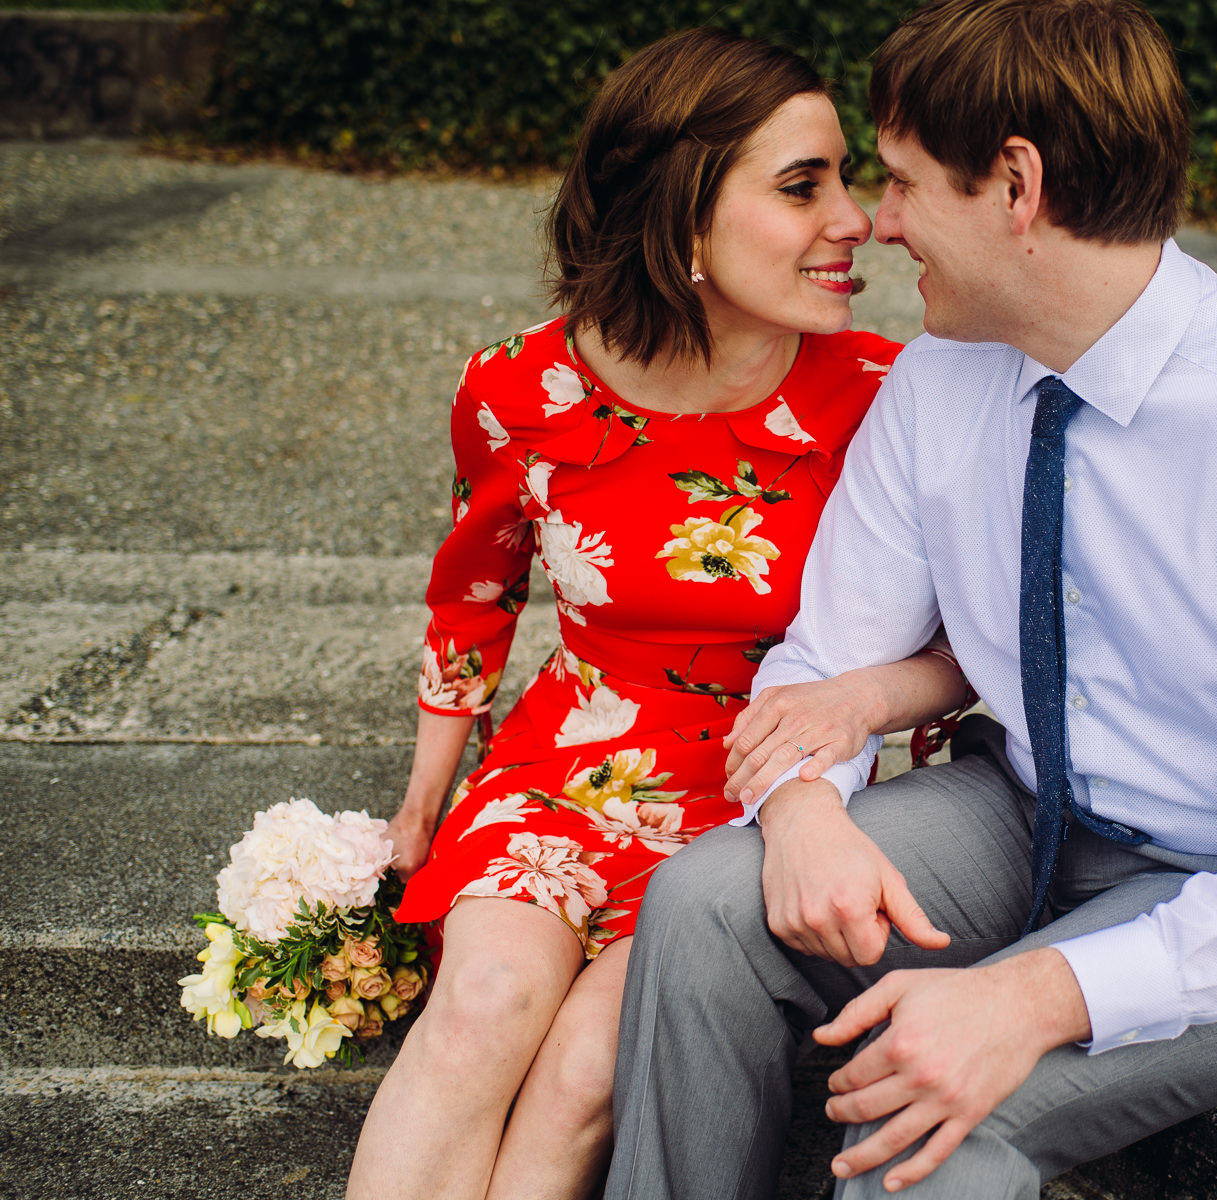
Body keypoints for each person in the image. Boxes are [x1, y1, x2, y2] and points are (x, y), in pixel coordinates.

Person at [602, 1, 1217, 1197]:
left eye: (897, 184)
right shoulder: (941, 379)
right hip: (1019, 807)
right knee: (705, 903)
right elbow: (824, 656)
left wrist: (1023, 999)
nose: (876, 227)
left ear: (1015, 185)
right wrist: (802, 813)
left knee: (931, 1116)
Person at [345, 28, 971, 1200]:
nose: (859, 219)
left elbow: (966, 646)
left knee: (589, 1064)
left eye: (848, 176)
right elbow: (474, 593)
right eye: (804, 186)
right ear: (683, 216)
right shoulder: (518, 389)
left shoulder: (892, 395)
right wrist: (425, 794)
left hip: (771, 798)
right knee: (480, 1006)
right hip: (569, 764)